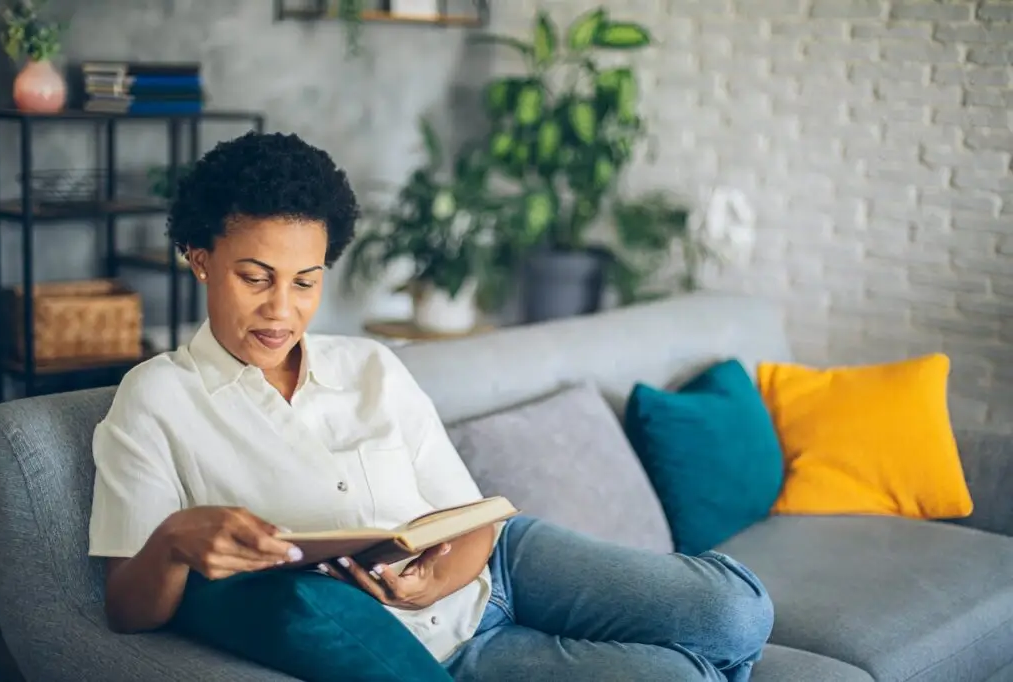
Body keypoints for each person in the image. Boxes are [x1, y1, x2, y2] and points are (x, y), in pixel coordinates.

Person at [88, 131, 774, 682]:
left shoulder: (371, 366)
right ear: (199, 259)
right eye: (254, 277)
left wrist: (436, 578)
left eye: (306, 282)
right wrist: (175, 539)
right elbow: (126, 611)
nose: (281, 310)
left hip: (503, 566)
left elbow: (472, 517)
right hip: (443, 651)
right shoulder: (156, 400)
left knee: (738, 615)